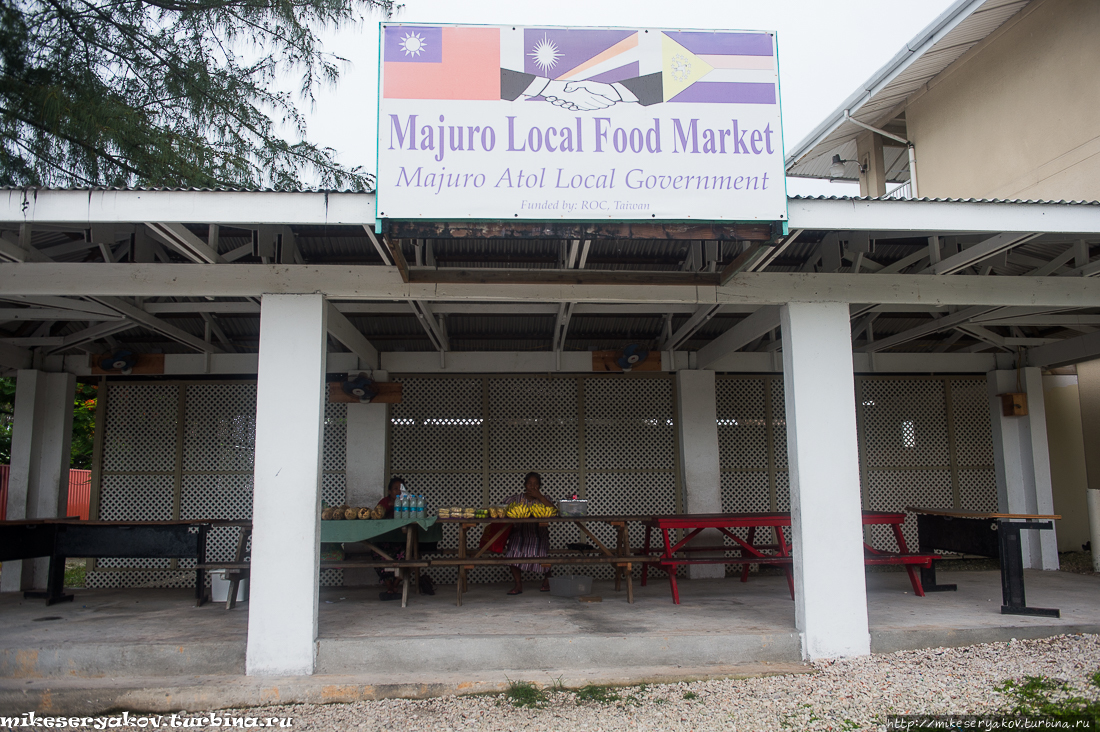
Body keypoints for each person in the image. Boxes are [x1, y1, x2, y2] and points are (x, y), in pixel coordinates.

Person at [502, 472, 555, 595]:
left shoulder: (544, 499)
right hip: (519, 534)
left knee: (542, 554)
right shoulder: (516, 499)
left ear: (540, 486)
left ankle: (547, 579)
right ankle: (518, 584)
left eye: (536, 484)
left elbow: (554, 511)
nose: (532, 486)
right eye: (530, 484)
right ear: (525, 485)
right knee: (512, 552)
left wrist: (540, 497)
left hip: (539, 536)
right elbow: (503, 508)